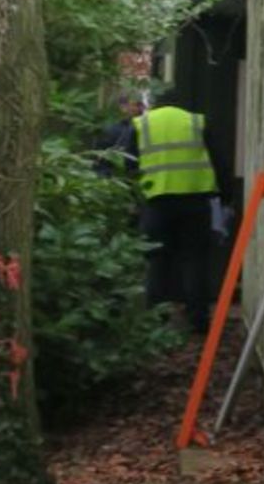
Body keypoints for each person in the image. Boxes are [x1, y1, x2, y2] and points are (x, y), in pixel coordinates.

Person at [132, 100, 230, 333]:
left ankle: (155, 321)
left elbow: (127, 163)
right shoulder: (196, 121)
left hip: (157, 202)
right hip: (195, 201)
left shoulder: (141, 125)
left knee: (157, 259)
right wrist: (226, 196)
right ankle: (199, 320)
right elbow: (219, 160)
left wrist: (133, 200)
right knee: (195, 259)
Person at [94, 91, 145, 175]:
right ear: (123, 107)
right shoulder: (113, 131)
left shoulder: (147, 127)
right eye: (135, 105)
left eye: (140, 105)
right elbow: (101, 161)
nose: (139, 109)